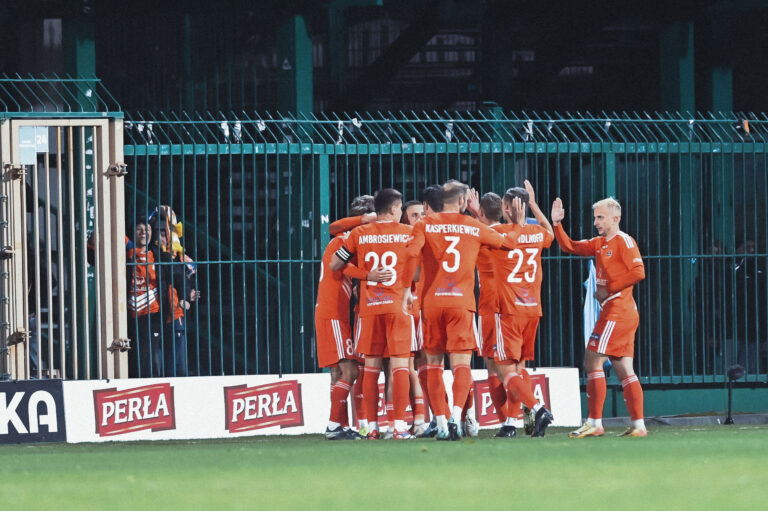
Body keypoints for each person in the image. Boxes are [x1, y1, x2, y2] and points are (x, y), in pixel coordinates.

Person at [402, 179, 517, 440]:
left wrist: (406, 289)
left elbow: (411, 253)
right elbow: (508, 243)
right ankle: (458, 415)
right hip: (461, 304)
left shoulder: (424, 224)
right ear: (463, 201)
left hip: (432, 303)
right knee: (461, 365)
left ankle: (440, 422)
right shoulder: (473, 227)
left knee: (432, 364)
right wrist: (481, 217)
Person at [551, 196, 647, 437]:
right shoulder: (599, 243)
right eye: (595, 217)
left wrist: (609, 288)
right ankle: (638, 426)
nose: (596, 222)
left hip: (618, 310)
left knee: (592, 360)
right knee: (624, 368)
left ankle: (594, 422)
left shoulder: (624, 241)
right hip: (618, 311)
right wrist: (556, 224)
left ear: (616, 218)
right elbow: (570, 246)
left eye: (600, 217)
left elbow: (639, 272)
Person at [331, 188, 416, 440]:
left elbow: (337, 264)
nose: (401, 213)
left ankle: (371, 426)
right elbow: (420, 271)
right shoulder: (408, 233)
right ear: (393, 209)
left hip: (370, 309)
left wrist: (366, 275)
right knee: (400, 366)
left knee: (371, 368)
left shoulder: (360, 233)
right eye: (400, 209)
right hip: (397, 308)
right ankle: (398, 426)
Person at [315, 201, 390, 440]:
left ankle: (341, 426)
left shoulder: (345, 242)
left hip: (334, 313)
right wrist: (369, 276)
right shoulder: (340, 242)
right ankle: (334, 426)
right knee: (349, 370)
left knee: (338, 373)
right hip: (332, 314)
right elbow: (339, 265)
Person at [489, 182, 555, 437]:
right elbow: (549, 231)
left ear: (506, 208)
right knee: (519, 368)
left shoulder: (500, 233)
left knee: (505, 371)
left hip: (509, 311)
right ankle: (519, 422)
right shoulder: (537, 232)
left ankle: (537, 409)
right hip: (532, 310)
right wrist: (535, 206)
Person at [473, 191, 516, 437]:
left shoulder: (482, 236)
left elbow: (474, 231)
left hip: (491, 306)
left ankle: (507, 422)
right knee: (517, 365)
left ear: (481, 213)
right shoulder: (515, 232)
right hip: (519, 303)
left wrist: (472, 212)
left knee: (494, 366)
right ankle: (523, 418)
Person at [126, 218, 163, 377]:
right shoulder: (127, 252)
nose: (143, 233)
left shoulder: (158, 255)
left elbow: (178, 272)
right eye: (139, 229)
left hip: (152, 313)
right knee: (133, 355)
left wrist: (185, 293)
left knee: (152, 355)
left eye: (147, 229)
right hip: (129, 314)